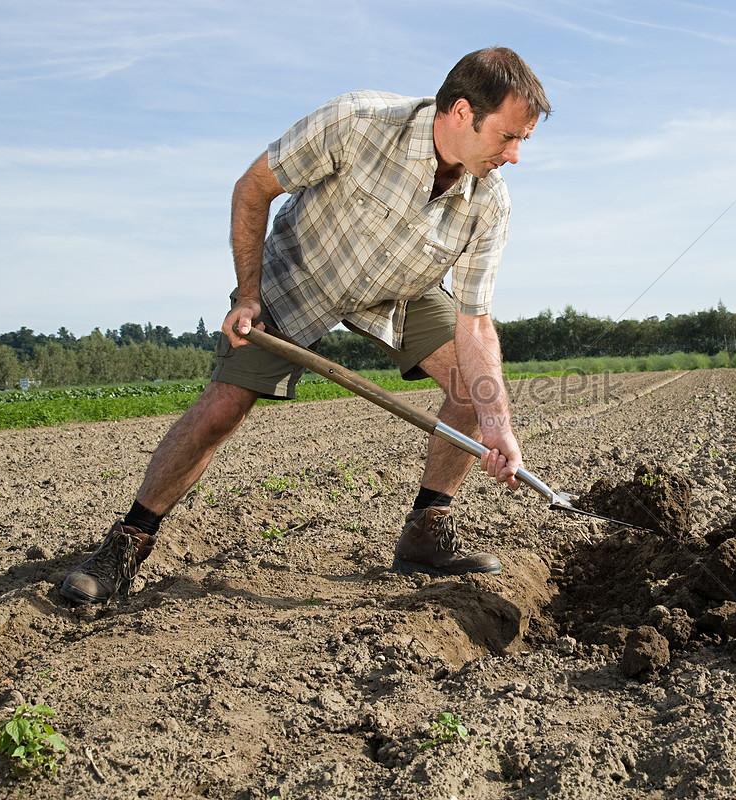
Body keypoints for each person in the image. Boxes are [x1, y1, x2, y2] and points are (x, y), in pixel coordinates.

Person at [59, 47, 551, 604]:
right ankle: (126, 543)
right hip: (301, 273)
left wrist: (496, 423)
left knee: (471, 385)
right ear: (461, 113)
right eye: (508, 137)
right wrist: (247, 296)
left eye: (522, 142)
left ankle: (425, 533)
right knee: (222, 409)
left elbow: (475, 321)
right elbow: (253, 188)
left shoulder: (491, 200)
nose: (514, 156)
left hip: (398, 289)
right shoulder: (358, 122)